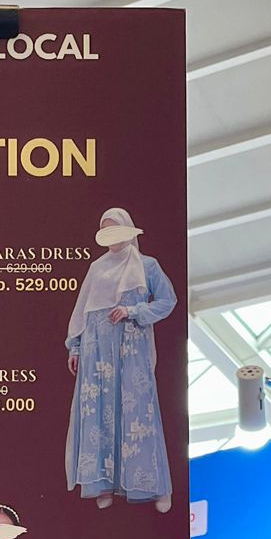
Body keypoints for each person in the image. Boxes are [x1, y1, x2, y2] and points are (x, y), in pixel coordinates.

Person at [64, 207, 177, 512]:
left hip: (131, 349)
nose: (110, 236)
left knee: (138, 412)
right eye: (105, 230)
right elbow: (82, 312)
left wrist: (133, 311)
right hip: (97, 351)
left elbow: (167, 300)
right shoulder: (96, 268)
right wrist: (75, 347)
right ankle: (104, 484)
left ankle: (154, 486)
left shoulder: (146, 265)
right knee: (100, 412)